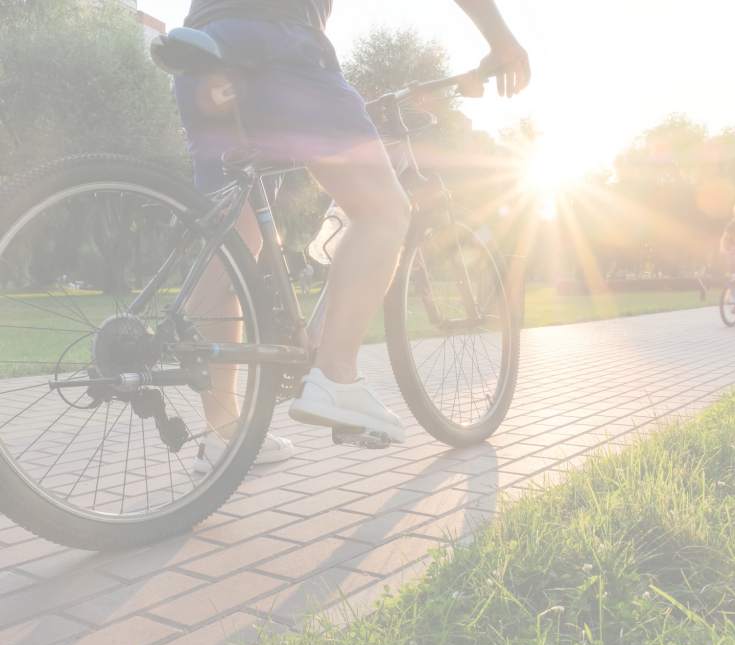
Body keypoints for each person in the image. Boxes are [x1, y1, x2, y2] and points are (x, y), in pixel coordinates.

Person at [177, 0, 531, 468]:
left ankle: (224, 436)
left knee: (232, 251)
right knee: (383, 212)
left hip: (201, 54)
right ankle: (336, 377)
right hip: (277, 43)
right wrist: (501, 41)